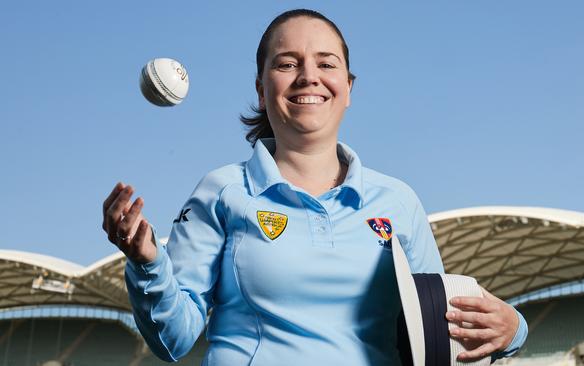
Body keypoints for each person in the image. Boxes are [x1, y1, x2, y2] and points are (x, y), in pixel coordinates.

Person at [102, 9, 527, 366]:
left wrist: (514, 328)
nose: (309, 77)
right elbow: (172, 340)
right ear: (261, 88)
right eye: (287, 63)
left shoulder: (398, 201)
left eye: (326, 64)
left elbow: (437, 330)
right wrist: (148, 264)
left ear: (348, 89)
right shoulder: (223, 191)